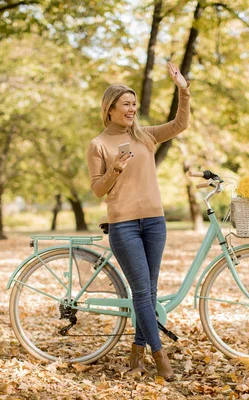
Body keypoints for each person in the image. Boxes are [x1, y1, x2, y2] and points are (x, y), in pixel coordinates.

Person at [86, 62, 190, 380]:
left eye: (134, 104)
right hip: (124, 225)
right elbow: (97, 191)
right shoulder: (98, 145)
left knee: (149, 291)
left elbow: (179, 125)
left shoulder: (145, 136)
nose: (132, 109)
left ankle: (137, 350)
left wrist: (182, 90)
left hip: (155, 223)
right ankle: (161, 358)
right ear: (111, 109)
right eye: (126, 104)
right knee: (142, 292)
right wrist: (114, 168)